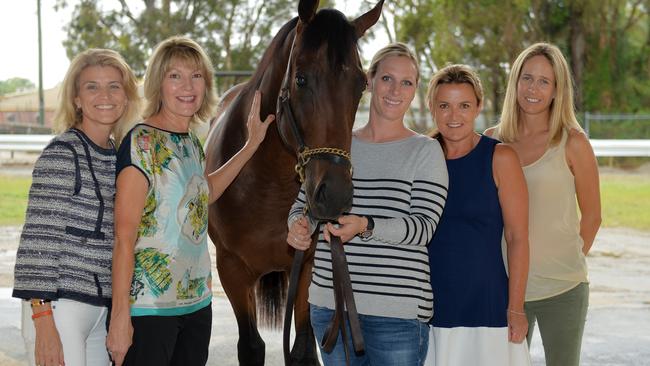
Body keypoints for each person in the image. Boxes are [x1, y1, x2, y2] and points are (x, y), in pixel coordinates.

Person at [105, 36, 274, 366]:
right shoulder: (140, 143)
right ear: (158, 84)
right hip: (150, 310)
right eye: (175, 76)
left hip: (197, 306)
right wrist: (120, 317)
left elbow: (204, 192)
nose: (188, 86)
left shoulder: (190, 143)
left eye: (196, 75)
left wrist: (252, 145)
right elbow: (123, 240)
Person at [287, 42, 449, 365]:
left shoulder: (425, 151)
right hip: (331, 308)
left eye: (407, 82)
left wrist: (366, 226)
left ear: (415, 89)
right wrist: (297, 226)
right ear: (370, 80)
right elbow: (302, 203)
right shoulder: (338, 145)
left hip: (398, 316)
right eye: (387, 78)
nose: (395, 90)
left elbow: (423, 228)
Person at [12, 49, 140, 366]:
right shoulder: (62, 153)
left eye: (115, 85)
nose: (105, 95)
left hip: (99, 309)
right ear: (77, 99)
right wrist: (43, 323)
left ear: (126, 96)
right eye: (92, 87)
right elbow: (37, 243)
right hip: (58, 309)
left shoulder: (119, 155)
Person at [486, 42, 601, 366]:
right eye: (527, 78)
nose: (533, 89)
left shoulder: (573, 141)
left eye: (544, 81)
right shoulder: (493, 141)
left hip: (562, 290)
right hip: (505, 289)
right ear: (515, 82)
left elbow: (592, 216)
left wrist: (562, 263)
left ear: (556, 90)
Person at [424, 64, 531, 366]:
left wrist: (516, 308)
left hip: (487, 305)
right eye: (444, 105)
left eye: (464, 106)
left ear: (479, 107)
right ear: (432, 107)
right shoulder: (421, 156)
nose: (453, 116)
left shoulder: (500, 157)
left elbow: (518, 238)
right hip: (430, 309)